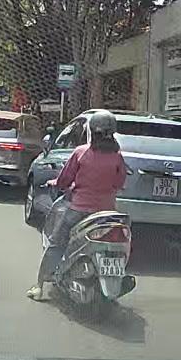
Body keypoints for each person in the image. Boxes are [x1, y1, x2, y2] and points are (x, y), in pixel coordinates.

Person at [27, 109, 127, 302]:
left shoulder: (81, 153)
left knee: (56, 243)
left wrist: (55, 183)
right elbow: (119, 182)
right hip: (107, 214)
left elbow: (64, 180)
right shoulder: (117, 156)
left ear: (91, 131)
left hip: (80, 210)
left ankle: (39, 286)